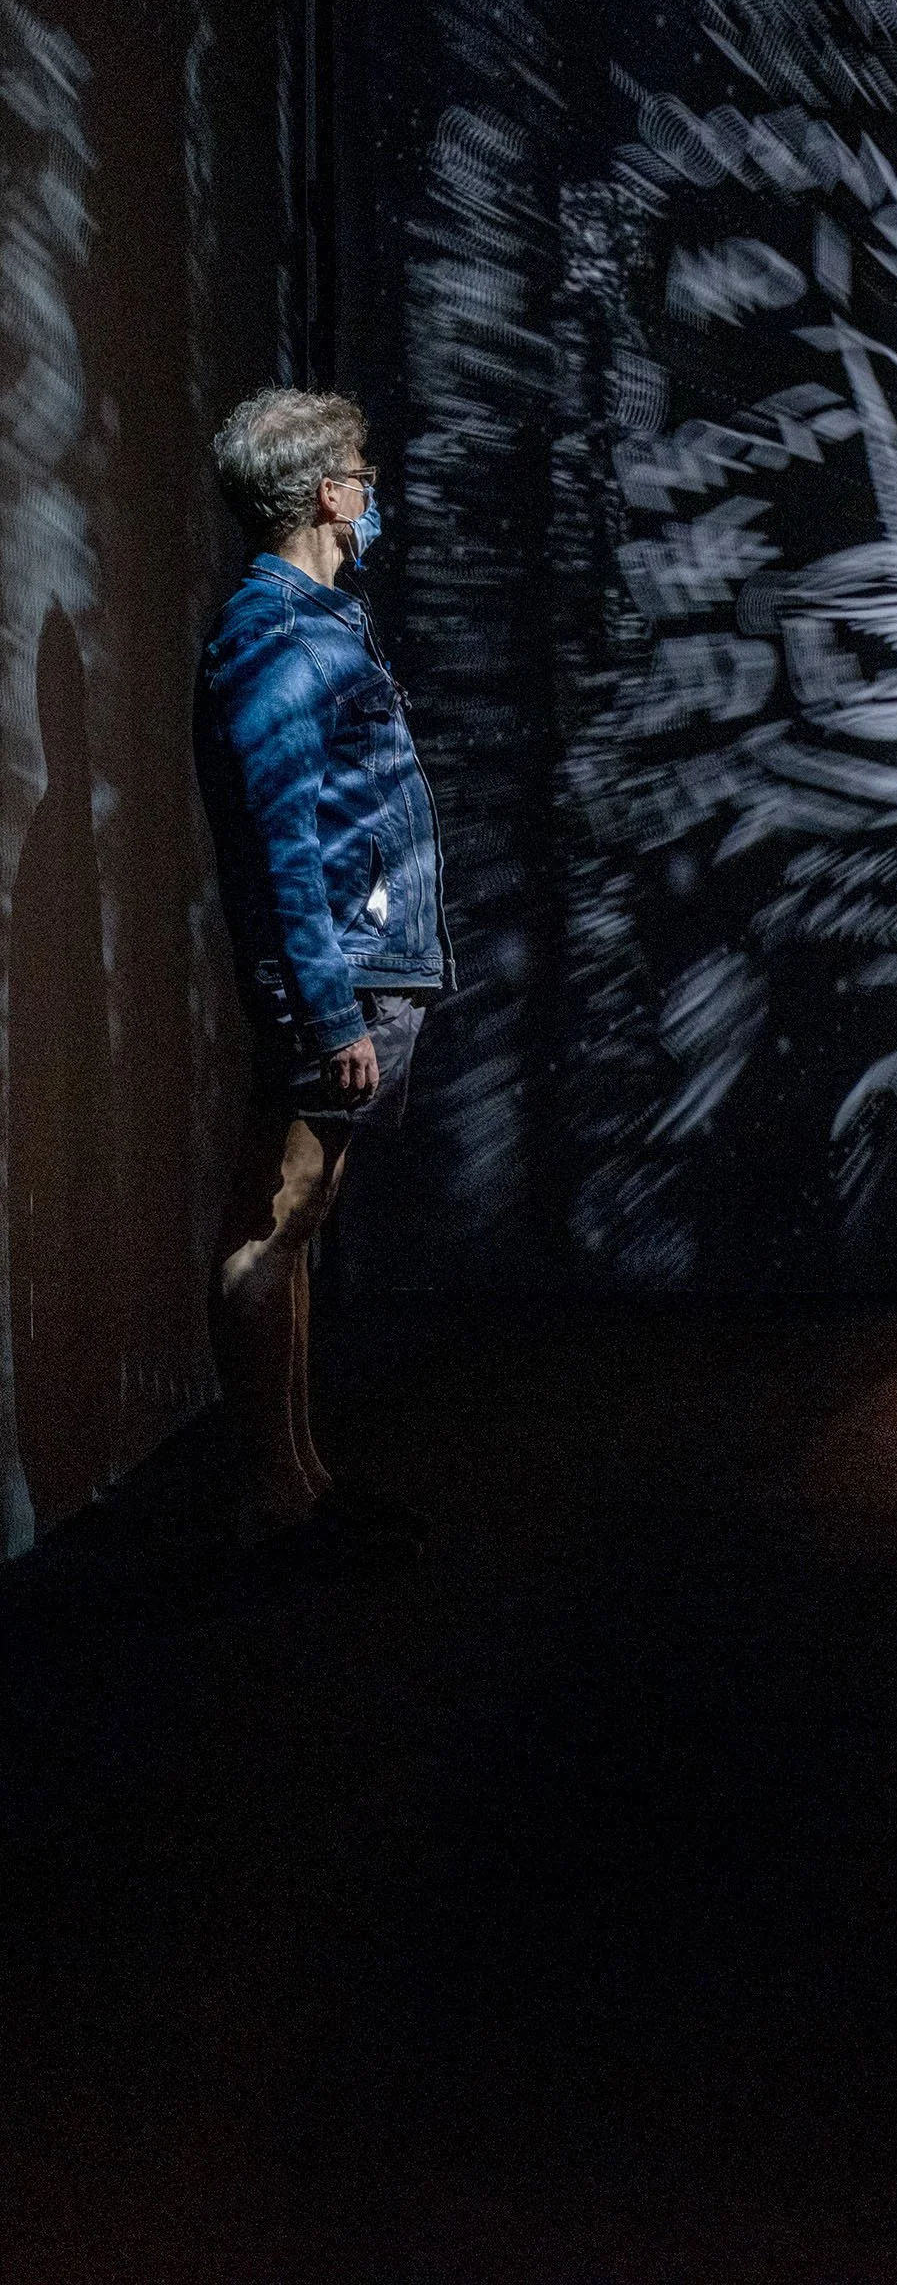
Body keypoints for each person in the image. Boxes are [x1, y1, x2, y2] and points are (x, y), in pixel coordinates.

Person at [193, 388, 452, 1559]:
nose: (372, 489)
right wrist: (330, 1003)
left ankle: (299, 1481)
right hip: (335, 969)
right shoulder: (281, 634)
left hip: (353, 961)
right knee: (274, 1222)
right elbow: (283, 843)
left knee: (298, 1222)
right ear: (321, 495)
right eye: (358, 469)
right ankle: (270, 1497)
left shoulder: (313, 621)